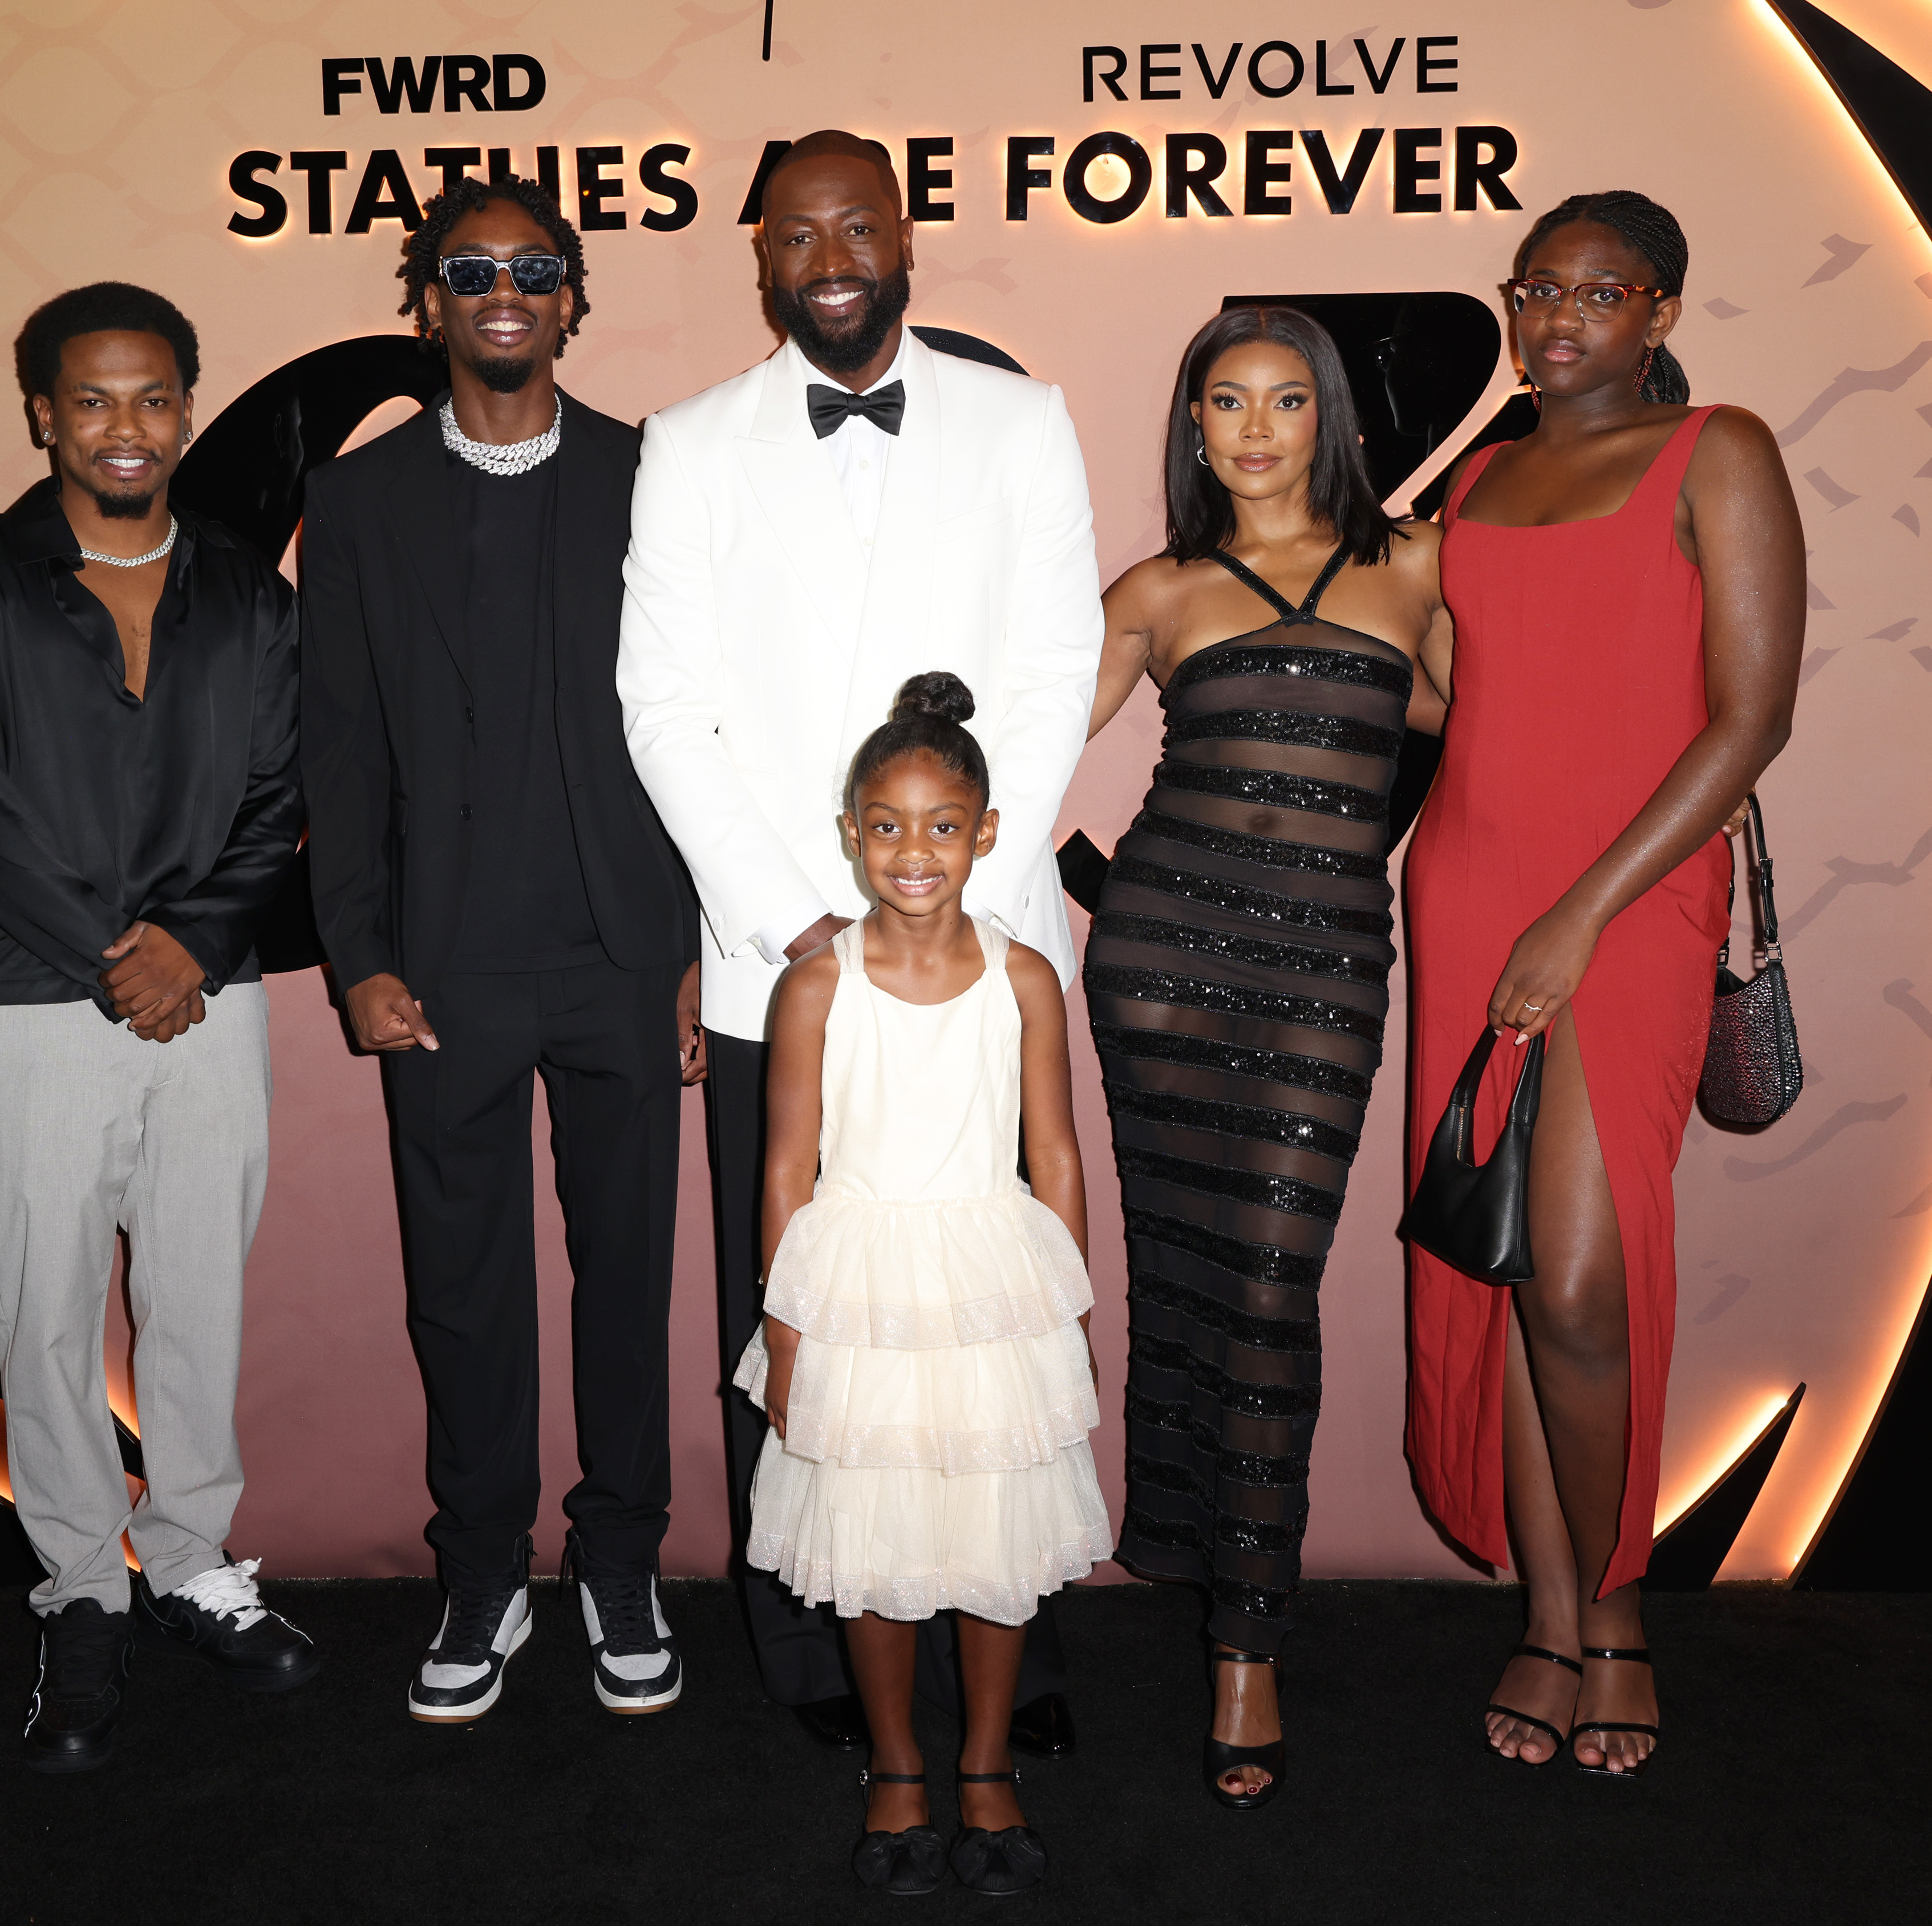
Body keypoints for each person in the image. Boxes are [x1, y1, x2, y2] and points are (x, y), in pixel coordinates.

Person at [618, 130, 1101, 1753]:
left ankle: (1005, 1658)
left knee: (985, 1308)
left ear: (908, 238)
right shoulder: (690, 445)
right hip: (786, 969)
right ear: (762, 256)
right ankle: (818, 1662)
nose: (832, 251)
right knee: (799, 1310)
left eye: (860, 222)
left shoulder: (1024, 420)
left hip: (985, 963)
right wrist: (795, 919)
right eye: (799, 230)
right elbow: (662, 707)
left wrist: (955, 887)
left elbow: (1054, 665)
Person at [1406, 190, 1801, 1779]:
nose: (1558, 316)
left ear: (1658, 310)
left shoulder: (1723, 448)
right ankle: (1549, 1613)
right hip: (1466, 879)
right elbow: (1450, 684)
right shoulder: (1486, 477)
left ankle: (1621, 1610)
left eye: (1599, 291)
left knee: (1581, 1270)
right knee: (1501, 1257)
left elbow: (1751, 718)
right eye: (1537, 289)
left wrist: (1579, 915)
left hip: (1624, 897)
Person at [298, 175, 702, 1723]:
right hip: (441, 968)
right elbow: (336, 746)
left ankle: (617, 1557)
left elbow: (696, 724)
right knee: (460, 1290)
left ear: (574, 297)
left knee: (623, 1280)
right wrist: (357, 955)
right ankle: (483, 1565)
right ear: (429, 302)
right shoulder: (359, 500)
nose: (505, 291)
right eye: (472, 270)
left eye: (537, 267)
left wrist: (694, 945)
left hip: (624, 950)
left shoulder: (656, 473)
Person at [0, 282, 319, 1773]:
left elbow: (283, 798)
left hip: (210, 998)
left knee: (200, 1296)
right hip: (32, 1002)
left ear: (188, 409)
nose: (124, 426)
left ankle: (194, 1557)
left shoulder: (254, 601)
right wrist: (111, 955)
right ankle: (81, 1587)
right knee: (51, 1311)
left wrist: (193, 945)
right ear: (43, 414)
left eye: (152, 397)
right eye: (92, 400)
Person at [1083, 307, 1451, 1807]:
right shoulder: (1156, 589)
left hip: (1324, 973)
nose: (1252, 427)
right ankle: (1225, 1612)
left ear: (1333, 420)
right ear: (1191, 428)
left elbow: (1491, 721)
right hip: (1163, 959)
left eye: (1285, 399)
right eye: (1222, 401)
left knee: (1270, 1285)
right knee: (1182, 1272)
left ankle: (1250, 1627)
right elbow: (1008, 754)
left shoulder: (1419, 564)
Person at [737, 675, 1111, 1897]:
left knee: (992, 1540)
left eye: (941, 825)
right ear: (850, 831)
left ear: (987, 832)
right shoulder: (815, 986)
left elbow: (1053, 1152)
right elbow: (787, 1169)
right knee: (873, 1540)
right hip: (852, 1295)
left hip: (990, 1287)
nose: (913, 851)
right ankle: (897, 1767)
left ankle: (989, 1765)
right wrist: (786, 1335)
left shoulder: (1024, 981)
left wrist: (1071, 1310)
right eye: (886, 825)